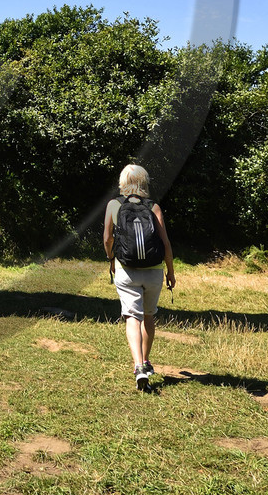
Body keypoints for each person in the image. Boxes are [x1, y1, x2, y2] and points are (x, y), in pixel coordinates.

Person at [102, 163, 175, 391]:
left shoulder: (114, 204)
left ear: (123, 182)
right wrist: (170, 271)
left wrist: (111, 259)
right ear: (144, 182)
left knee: (132, 316)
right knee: (149, 316)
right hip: (153, 271)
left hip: (126, 270)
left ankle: (138, 366)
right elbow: (165, 243)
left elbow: (107, 239)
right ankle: (145, 361)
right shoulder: (154, 207)